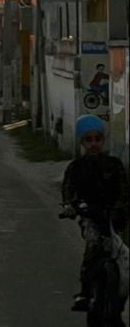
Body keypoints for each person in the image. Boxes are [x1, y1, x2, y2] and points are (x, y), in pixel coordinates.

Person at [61, 114, 129, 313]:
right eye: (88, 140)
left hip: (116, 217)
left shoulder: (114, 164)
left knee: (124, 257)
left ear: (103, 140)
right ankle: (85, 291)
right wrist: (69, 206)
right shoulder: (76, 167)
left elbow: (124, 189)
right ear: (82, 142)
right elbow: (68, 189)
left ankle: (120, 299)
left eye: (97, 139)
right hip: (90, 217)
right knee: (93, 246)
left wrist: (120, 206)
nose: (93, 144)